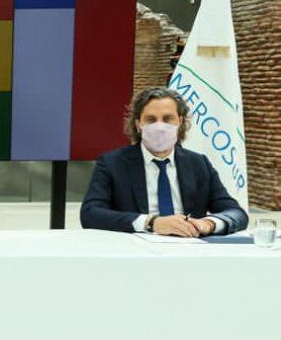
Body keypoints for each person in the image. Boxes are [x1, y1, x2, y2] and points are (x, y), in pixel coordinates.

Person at [80, 86, 247, 236]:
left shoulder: (198, 164)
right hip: (136, 251)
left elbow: (236, 213)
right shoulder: (112, 163)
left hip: (190, 249)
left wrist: (208, 224)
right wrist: (152, 223)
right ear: (138, 124)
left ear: (180, 122)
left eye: (168, 119)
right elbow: (90, 214)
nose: (159, 127)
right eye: (151, 120)